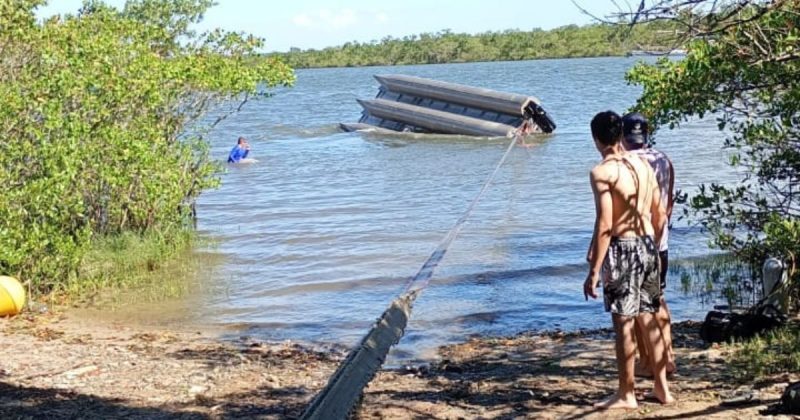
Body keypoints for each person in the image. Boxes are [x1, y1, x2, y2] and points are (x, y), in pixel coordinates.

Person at [583, 110, 673, 409]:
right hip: (648, 243)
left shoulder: (603, 172)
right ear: (620, 134)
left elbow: (605, 224)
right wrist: (654, 243)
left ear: (596, 139)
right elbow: (659, 212)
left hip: (623, 247)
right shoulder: (643, 165)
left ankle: (627, 393)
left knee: (623, 322)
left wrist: (594, 269)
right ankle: (662, 389)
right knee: (648, 317)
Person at [621, 112, 677, 378]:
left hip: (636, 241)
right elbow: (668, 205)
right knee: (658, 298)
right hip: (661, 240)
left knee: (637, 308)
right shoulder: (663, 159)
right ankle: (668, 359)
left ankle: (647, 363)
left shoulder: (626, 162)